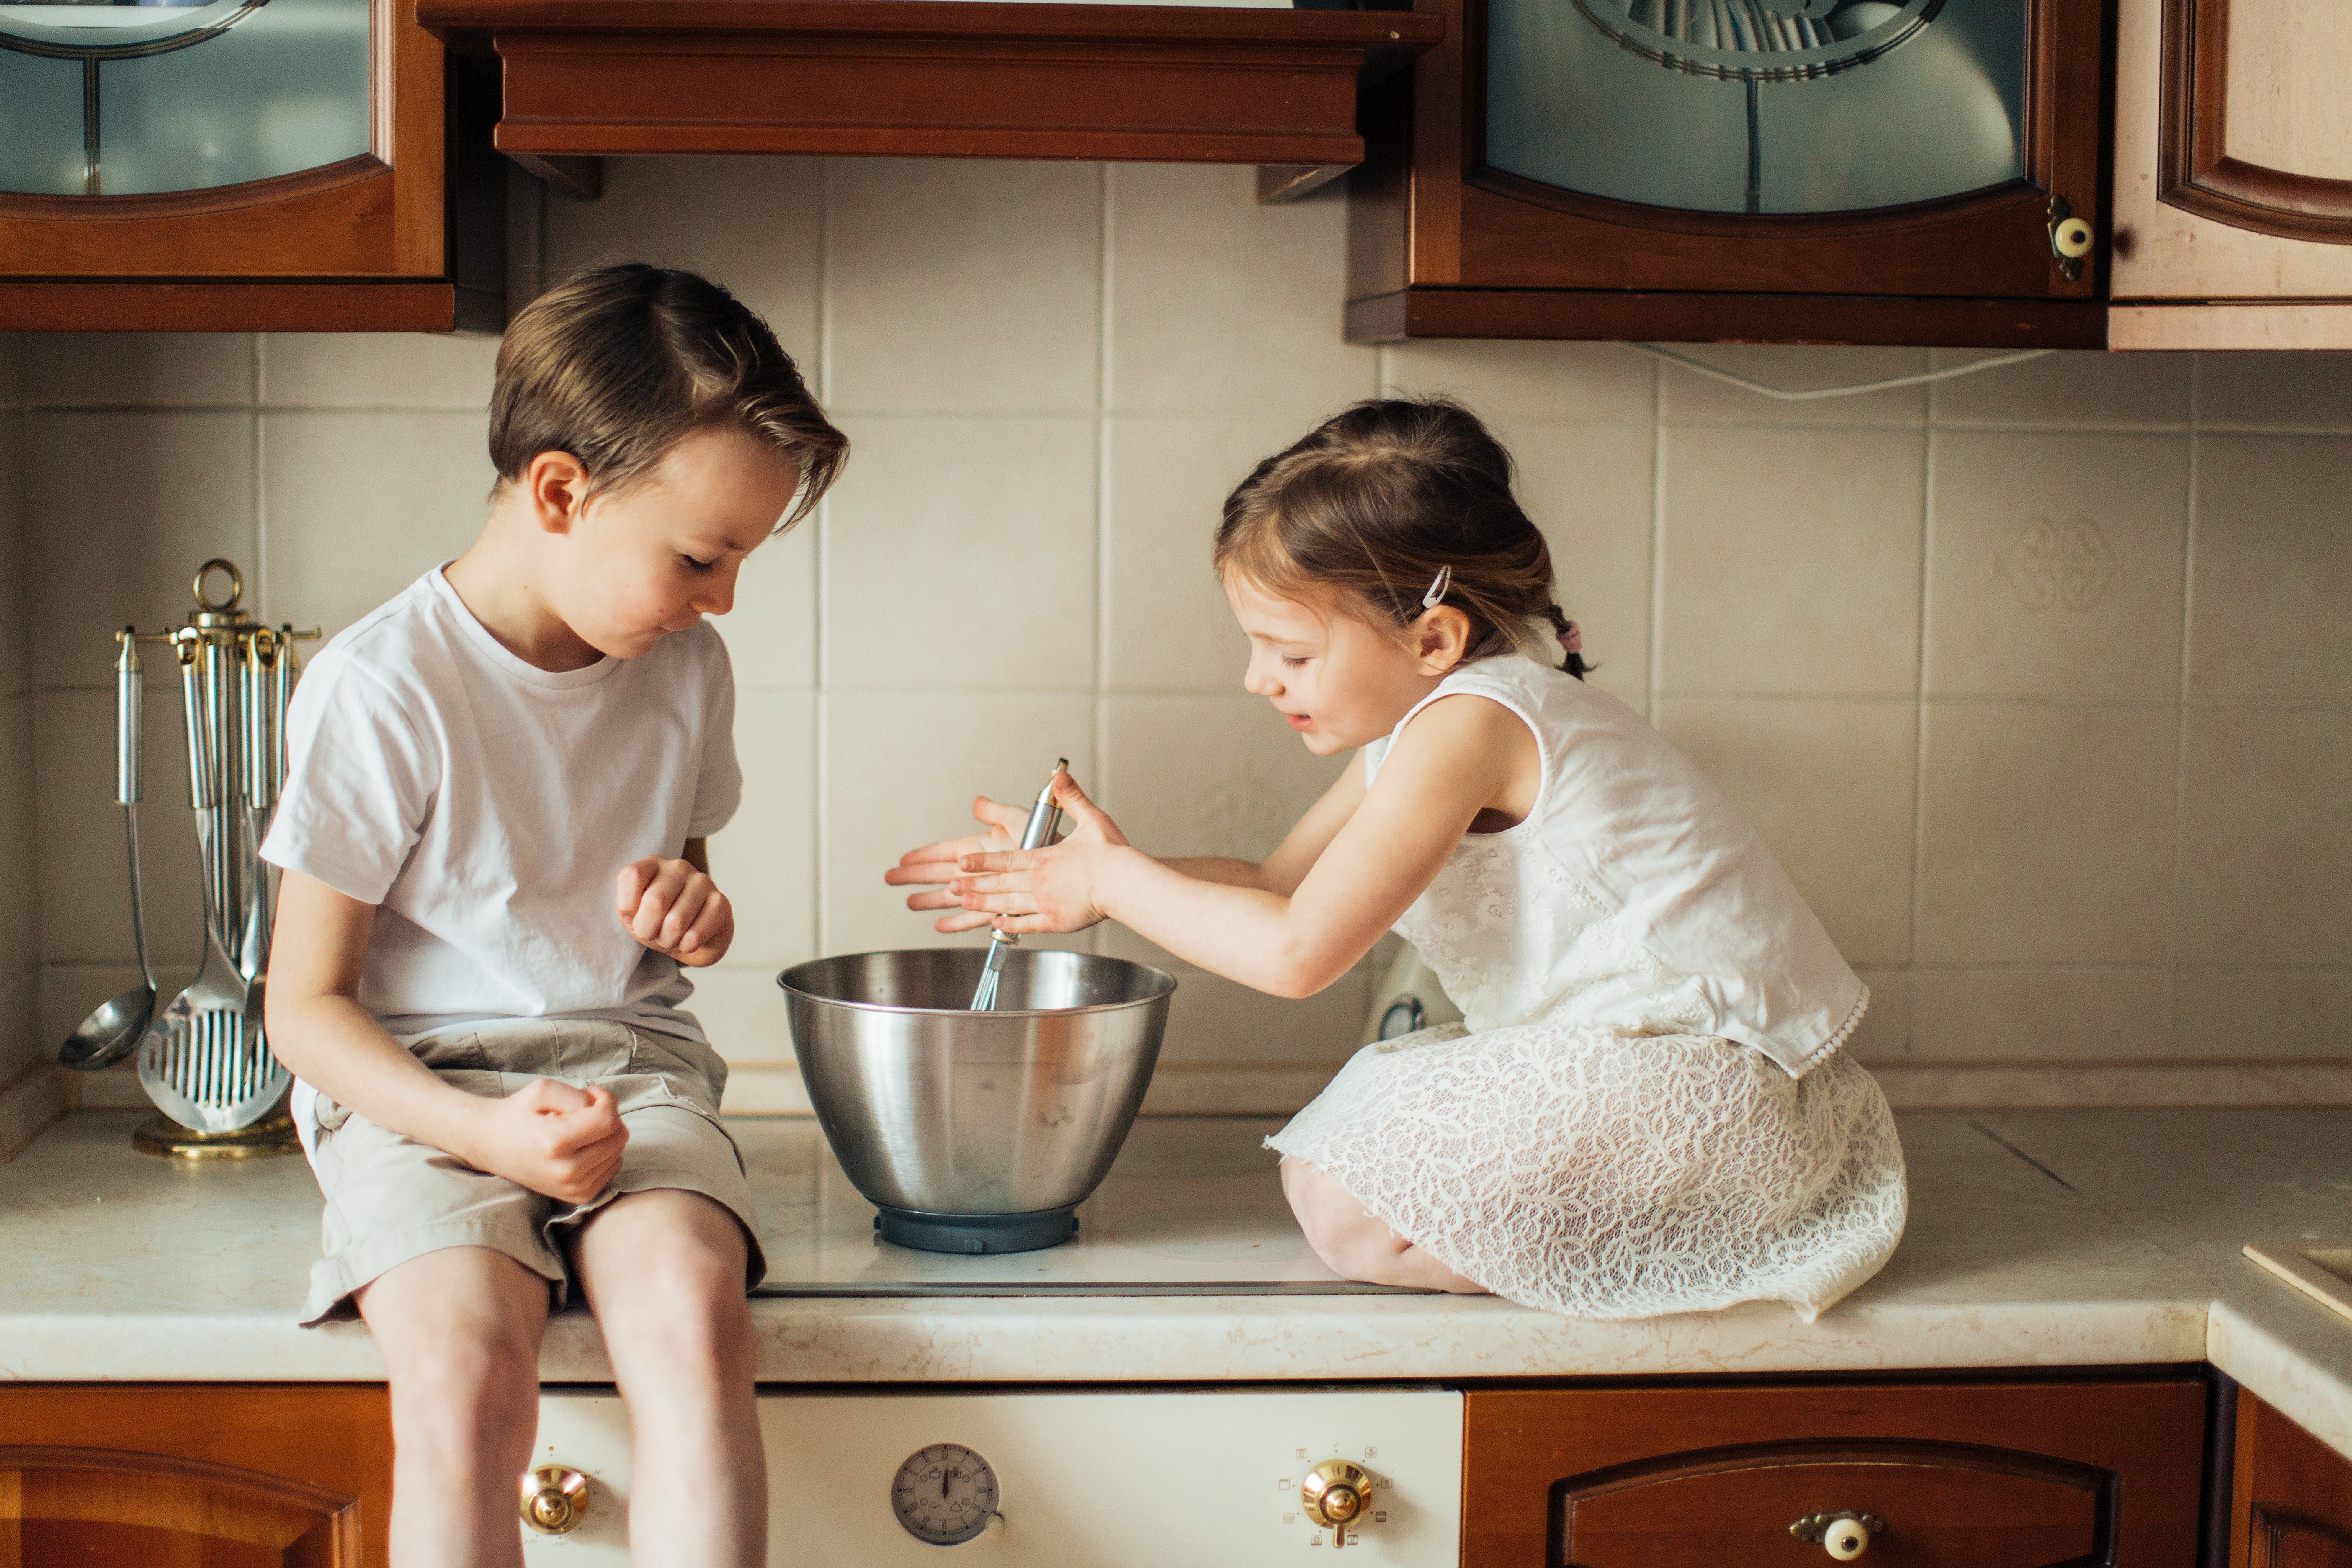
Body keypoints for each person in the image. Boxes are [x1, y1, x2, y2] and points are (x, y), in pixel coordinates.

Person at [888, 398, 1904, 1321]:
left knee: (1347, 1202)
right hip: (1658, 1071)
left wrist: (1112, 882)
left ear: (1433, 638)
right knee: (1340, 1180)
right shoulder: (1424, 724)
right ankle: (1640, 1247)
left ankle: (1690, 1249)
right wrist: (1094, 873)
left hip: (1723, 1091)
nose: (1257, 680)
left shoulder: (1472, 723)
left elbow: (1296, 953)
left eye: (1290, 653)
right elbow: (1281, 887)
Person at [263, 262, 847, 1567]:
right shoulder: (382, 688)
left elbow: (673, 899)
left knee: (694, 1320)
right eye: (702, 557)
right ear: (562, 492)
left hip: (627, 1069)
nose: (724, 599)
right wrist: (481, 1130)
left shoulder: (682, 666)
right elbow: (299, 1010)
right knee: (467, 1375)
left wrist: (692, 910)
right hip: (421, 1096)